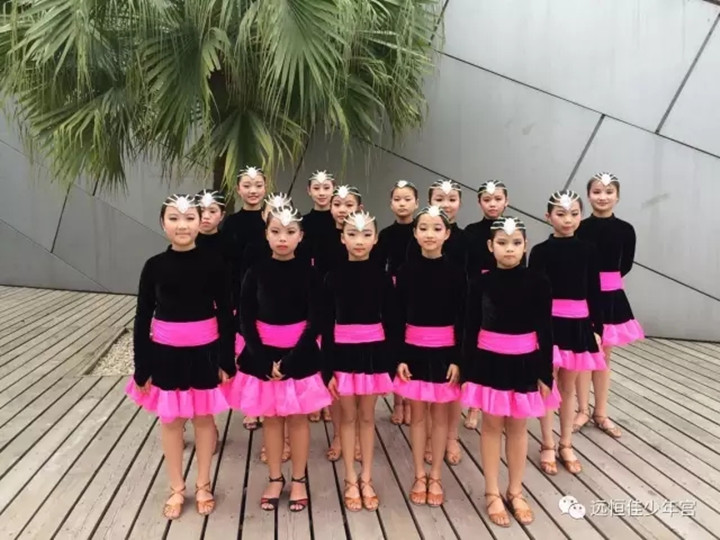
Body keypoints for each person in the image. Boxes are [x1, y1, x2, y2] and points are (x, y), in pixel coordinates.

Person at [126, 194, 235, 519]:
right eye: (174, 218)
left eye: (189, 218)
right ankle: (176, 486)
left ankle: (203, 484)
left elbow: (226, 313)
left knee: (204, 419)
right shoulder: (154, 266)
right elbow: (142, 316)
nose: (182, 225)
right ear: (163, 223)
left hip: (205, 352)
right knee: (171, 420)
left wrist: (226, 359)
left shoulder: (215, 263)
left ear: (200, 222)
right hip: (165, 354)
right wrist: (142, 364)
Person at [227, 205, 332, 512]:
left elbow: (316, 320)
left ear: (300, 236)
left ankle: (298, 479)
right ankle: (275, 477)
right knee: (271, 419)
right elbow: (245, 318)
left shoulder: (311, 274)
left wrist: (291, 361)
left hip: (299, 355)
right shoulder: (255, 272)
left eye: (289, 232)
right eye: (276, 232)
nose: (282, 238)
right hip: (262, 354)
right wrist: (261, 358)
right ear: (266, 234)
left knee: (298, 419)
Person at [461, 216, 560, 527]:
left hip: (525, 363)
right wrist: (467, 371)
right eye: (502, 243)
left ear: (525, 245)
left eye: (516, 243)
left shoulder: (539, 282)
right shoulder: (479, 283)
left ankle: (515, 490)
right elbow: (469, 328)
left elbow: (545, 329)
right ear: (490, 246)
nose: (509, 249)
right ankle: (491, 490)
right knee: (491, 426)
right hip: (489, 363)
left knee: (518, 427)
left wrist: (545, 372)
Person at [324, 210, 398, 512]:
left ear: (375, 239)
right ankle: (349, 477)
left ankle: (366, 476)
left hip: (372, 354)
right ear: (342, 238)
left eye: (366, 234)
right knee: (347, 417)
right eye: (352, 234)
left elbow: (392, 322)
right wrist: (326, 368)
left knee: (367, 417)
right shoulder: (332, 277)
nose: (359, 240)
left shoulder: (383, 278)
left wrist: (389, 362)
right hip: (342, 354)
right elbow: (325, 325)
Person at [529, 190, 606, 476]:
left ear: (581, 216)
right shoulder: (540, 252)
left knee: (569, 387)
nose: (568, 219)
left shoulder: (589, 250)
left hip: (578, 325)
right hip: (549, 325)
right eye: (560, 214)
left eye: (574, 214)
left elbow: (594, 291)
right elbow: (533, 294)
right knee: (547, 384)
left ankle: (566, 443)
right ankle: (547, 443)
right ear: (548, 216)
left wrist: (597, 327)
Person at [394, 205, 465, 507]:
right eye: (423, 228)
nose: (430, 234)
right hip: (413, 351)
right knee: (418, 415)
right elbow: (396, 317)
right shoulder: (404, 271)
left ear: (447, 234)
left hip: (445, 353)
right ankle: (419, 474)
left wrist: (458, 359)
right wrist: (399, 356)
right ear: (415, 232)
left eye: (437, 228)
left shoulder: (457, 273)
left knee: (439, 417)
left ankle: (435, 474)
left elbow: (463, 319)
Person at [573, 172, 645, 438]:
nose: (602, 197)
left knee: (604, 355)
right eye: (596, 192)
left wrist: (606, 282)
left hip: (611, 296)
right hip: (583, 294)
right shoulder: (579, 227)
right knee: (584, 353)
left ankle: (600, 412)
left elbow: (625, 264)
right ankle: (582, 409)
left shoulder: (625, 229)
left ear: (618, 196)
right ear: (588, 195)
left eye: (608, 192)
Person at [221, 166, 268, 432]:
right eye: (247, 185)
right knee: (245, 350)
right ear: (238, 189)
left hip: (270, 297)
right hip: (241, 293)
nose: (253, 190)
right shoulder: (231, 223)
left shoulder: (273, 220)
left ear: (265, 187)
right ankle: (251, 407)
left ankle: (269, 403)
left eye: (258, 185)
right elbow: (228, 264)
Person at [372, 180, 419, 426]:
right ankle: (399, 401)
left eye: (407, 199)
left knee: (412, 342)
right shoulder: (386, 235)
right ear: (391, 204)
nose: (402, 204)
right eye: (397, 199)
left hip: (415, 291)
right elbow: (378, 266)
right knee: (396, 340)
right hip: (392, 292)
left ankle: (411, 400)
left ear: (416, 203)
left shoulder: (422, 231)